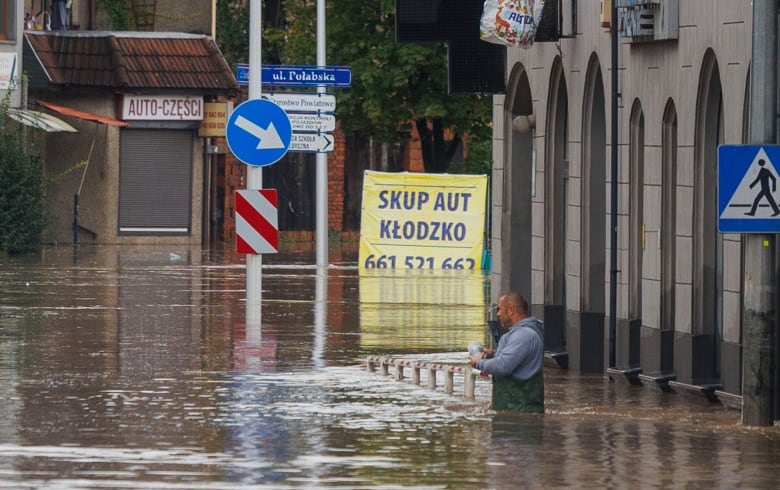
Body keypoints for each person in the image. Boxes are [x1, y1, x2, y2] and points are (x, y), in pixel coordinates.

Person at [468, 291, 544, 413]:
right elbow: (510, 360)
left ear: (511, 310)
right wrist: (493, 354)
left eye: (499, 309)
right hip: (513, 411)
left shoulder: (523, 335)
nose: (497, 314)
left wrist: (478, 362)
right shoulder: (519, 334)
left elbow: (503, 366)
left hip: (520, 415)